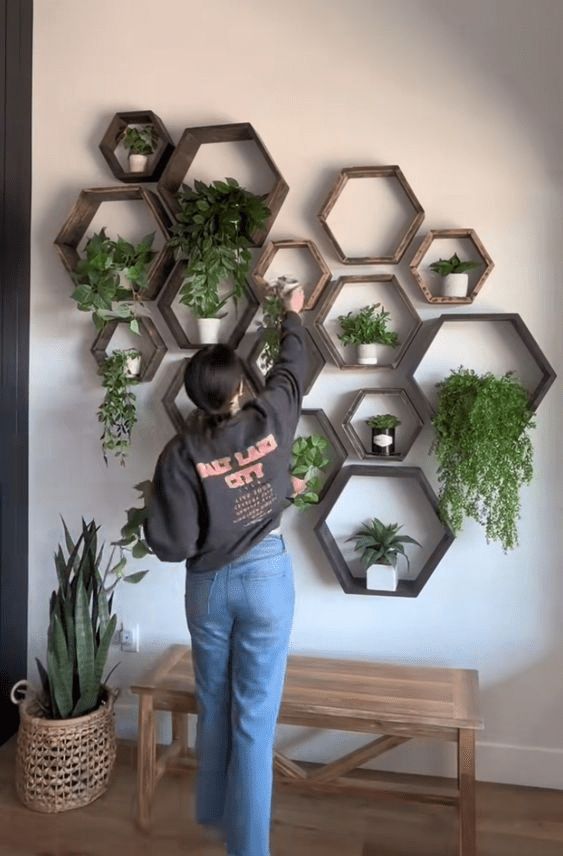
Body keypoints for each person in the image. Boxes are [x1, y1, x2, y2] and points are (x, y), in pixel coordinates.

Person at [145, 286, 307, 856]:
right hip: (266, 582)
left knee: (214, 699)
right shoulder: (273, 413)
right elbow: (294, 365)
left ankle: (214, 812)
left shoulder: (180, 453)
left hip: (208, 587)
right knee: (255, 719)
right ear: (242, 384)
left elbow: (171, 543)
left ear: (192, 398)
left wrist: (275, 490)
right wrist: (291, 312)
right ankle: (248, 848)